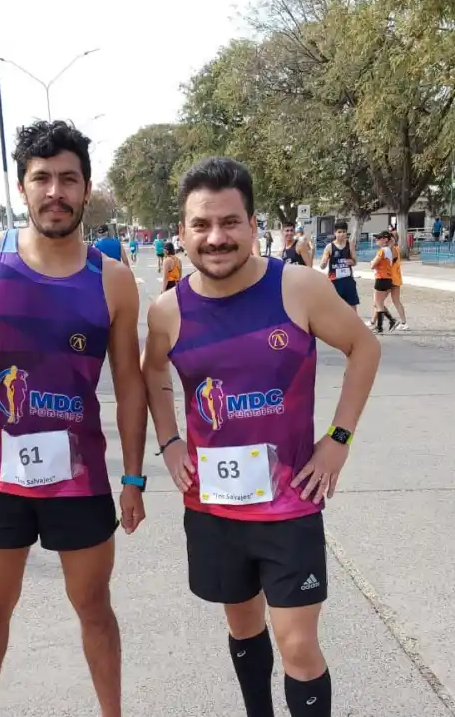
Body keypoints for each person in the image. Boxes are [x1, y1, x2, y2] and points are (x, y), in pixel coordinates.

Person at [0, 119, 147, 717]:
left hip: (80, 479)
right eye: (41, 179)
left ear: (87, 188)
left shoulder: (113, 281)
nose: (55, 192)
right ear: (23, 189)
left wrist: (133, 478)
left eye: (68, 179)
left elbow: (129, 384)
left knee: (94, 608)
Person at [141, 156, 380, 717]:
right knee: (244, 627)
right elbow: (153, 374)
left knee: (297, 645)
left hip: (290, 505)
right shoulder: (168, 311)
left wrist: (338, 439)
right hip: (215, 508)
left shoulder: (297, 287)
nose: (216, 238)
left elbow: (364, 347)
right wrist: (171, 442)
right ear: (182, 232)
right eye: (201, 225)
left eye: (230, 223)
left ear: (253, 225)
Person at [319, 220, 359, 311]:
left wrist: (351, 262)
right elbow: (322, 266)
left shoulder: (350, 245)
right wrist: (324, 262)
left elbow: (355, 262)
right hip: (334, 281)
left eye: (344, 232)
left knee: (352, 307)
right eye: (339, 232)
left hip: (348, 280)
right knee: (334, 308)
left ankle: (353, 324)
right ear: (335, 233)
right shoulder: (329, 247)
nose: (342, 234)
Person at [369, 231, 396, 334]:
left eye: (379, 238)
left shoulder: (382, 251)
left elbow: (373, 265)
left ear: (385, 240)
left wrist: (372, 263)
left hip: (381, 278)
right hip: (388, 278)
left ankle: (383, 325)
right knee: (378, 303)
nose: (377, 240)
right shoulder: (389, 250)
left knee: (378, 304)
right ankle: (387, 322)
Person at [388, 231, 409, 331]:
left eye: (391, 237)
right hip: (394, 278)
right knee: (395, 301)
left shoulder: (394, 249)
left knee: (378, 301)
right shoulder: (393, 249)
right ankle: (403, 322)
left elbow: (390, 260)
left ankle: (375, 322)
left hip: (392, 279)